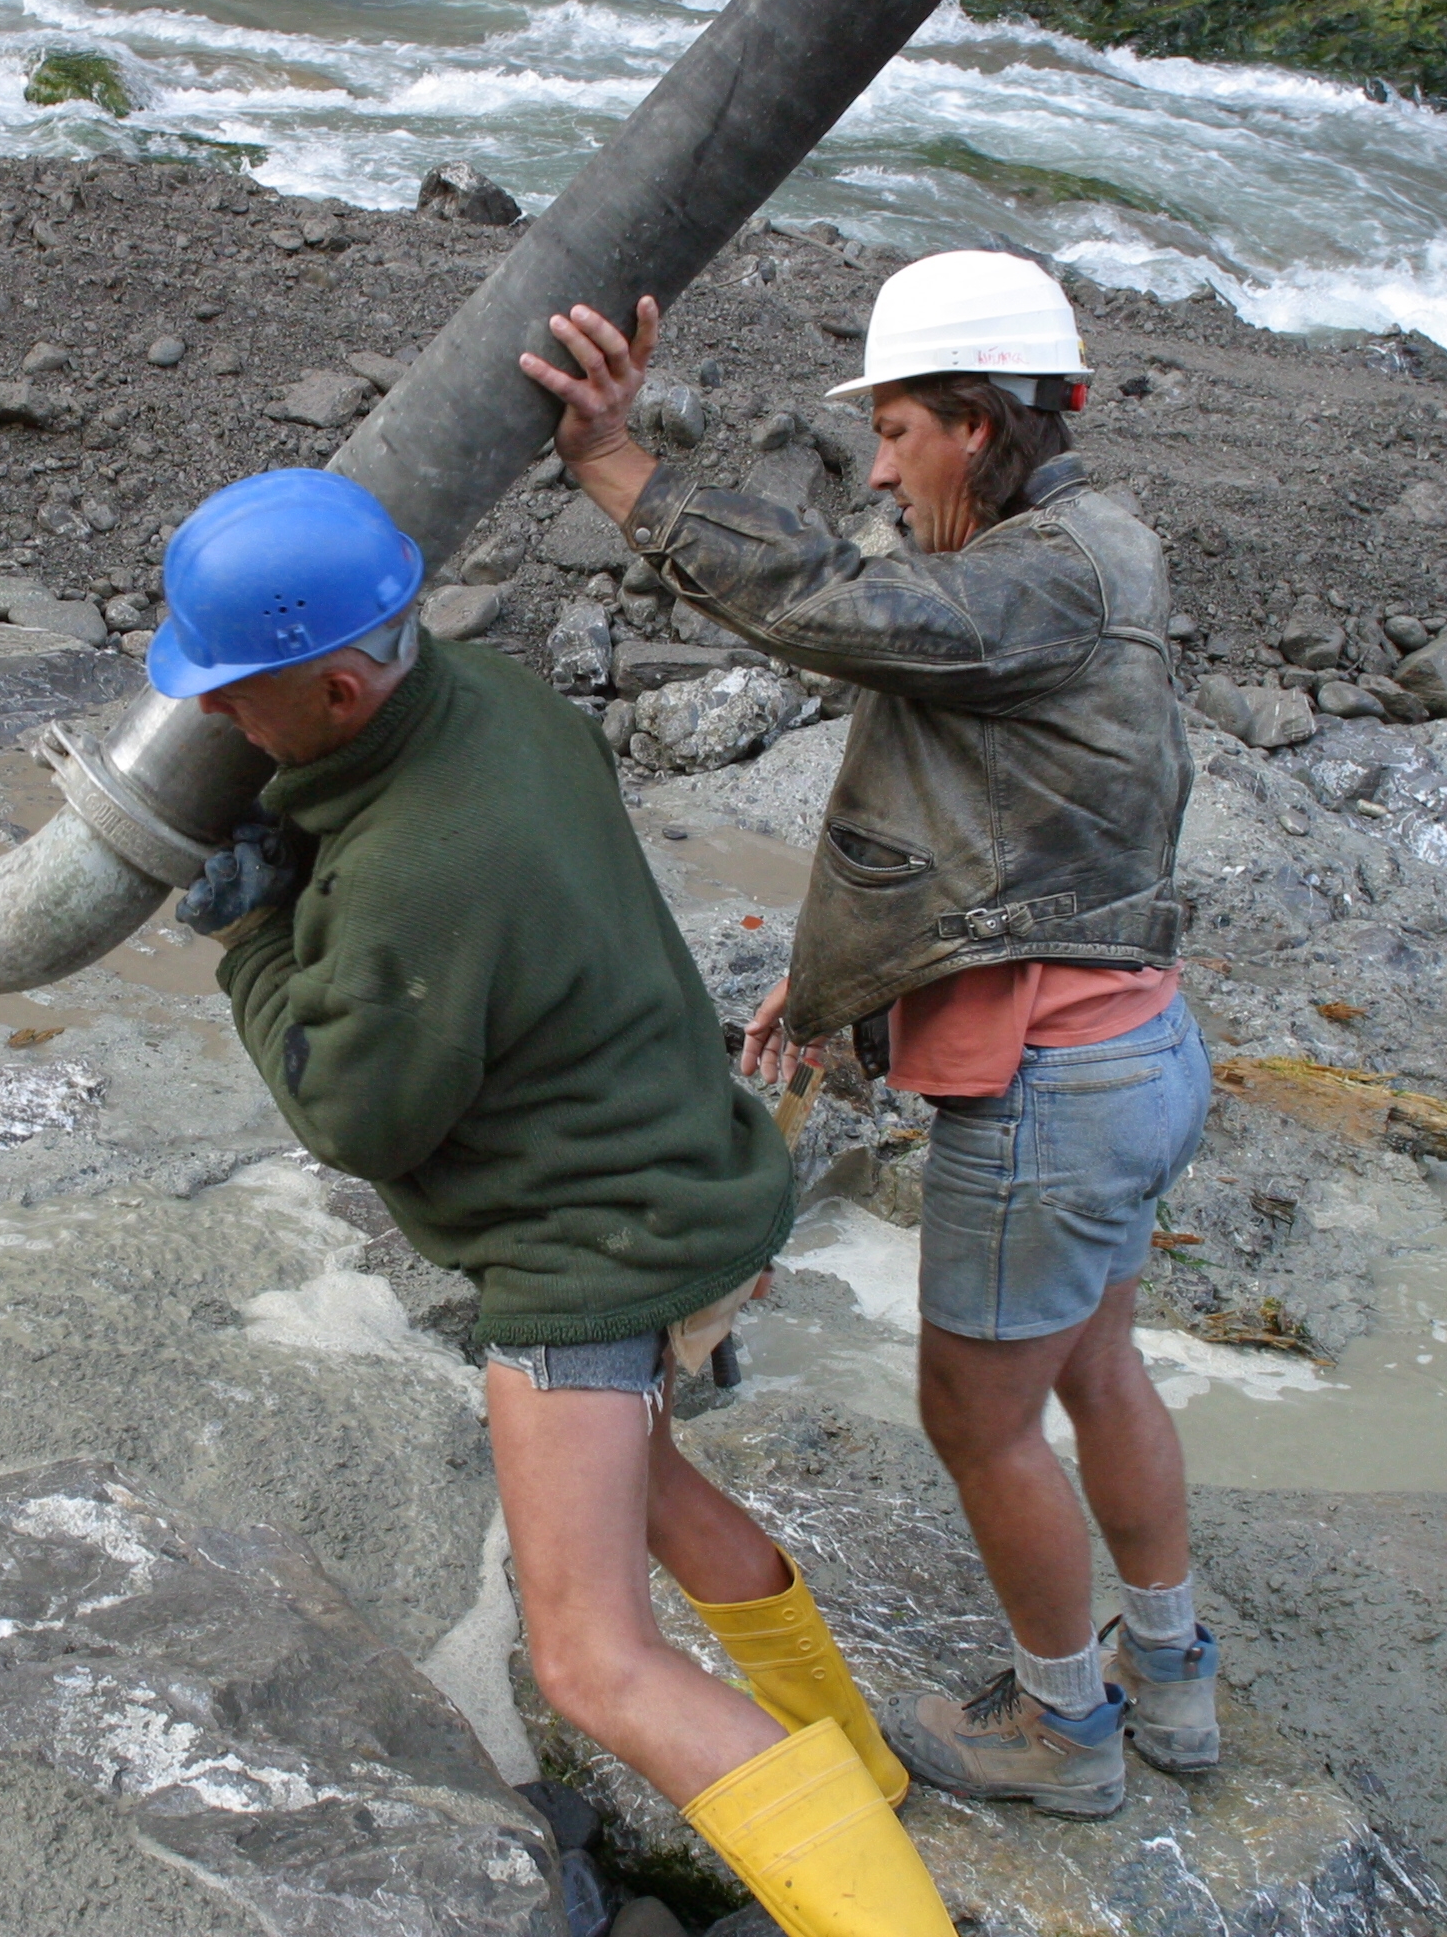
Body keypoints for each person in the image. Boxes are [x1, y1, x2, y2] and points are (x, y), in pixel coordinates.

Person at [154, 468, 953, 1935]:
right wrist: (301, 846)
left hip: (591, 1250)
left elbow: (354, 1113)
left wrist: (257, 937)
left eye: (235, 695)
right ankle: (862, 1777)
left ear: (338, 689)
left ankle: (894, 1917)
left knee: (593, 1663)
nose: (215, 718)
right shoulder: (498, 701)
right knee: (652, 1489)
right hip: (694, 1175)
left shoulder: (417, 868)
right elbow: (423, 873)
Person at [519, 250, 1215, 1822]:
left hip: (1053, 1086)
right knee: (1102, 1368)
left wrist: (621, 466)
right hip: (1133, 1047)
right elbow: (993, 832)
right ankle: (1172, 1678)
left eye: (897, 434)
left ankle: (1067, 1731)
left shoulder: (1038, 579)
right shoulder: (1095, 544)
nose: (882, 474)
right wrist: (836, 977)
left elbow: (835, 608)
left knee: (978, 1417)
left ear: (981, 423)